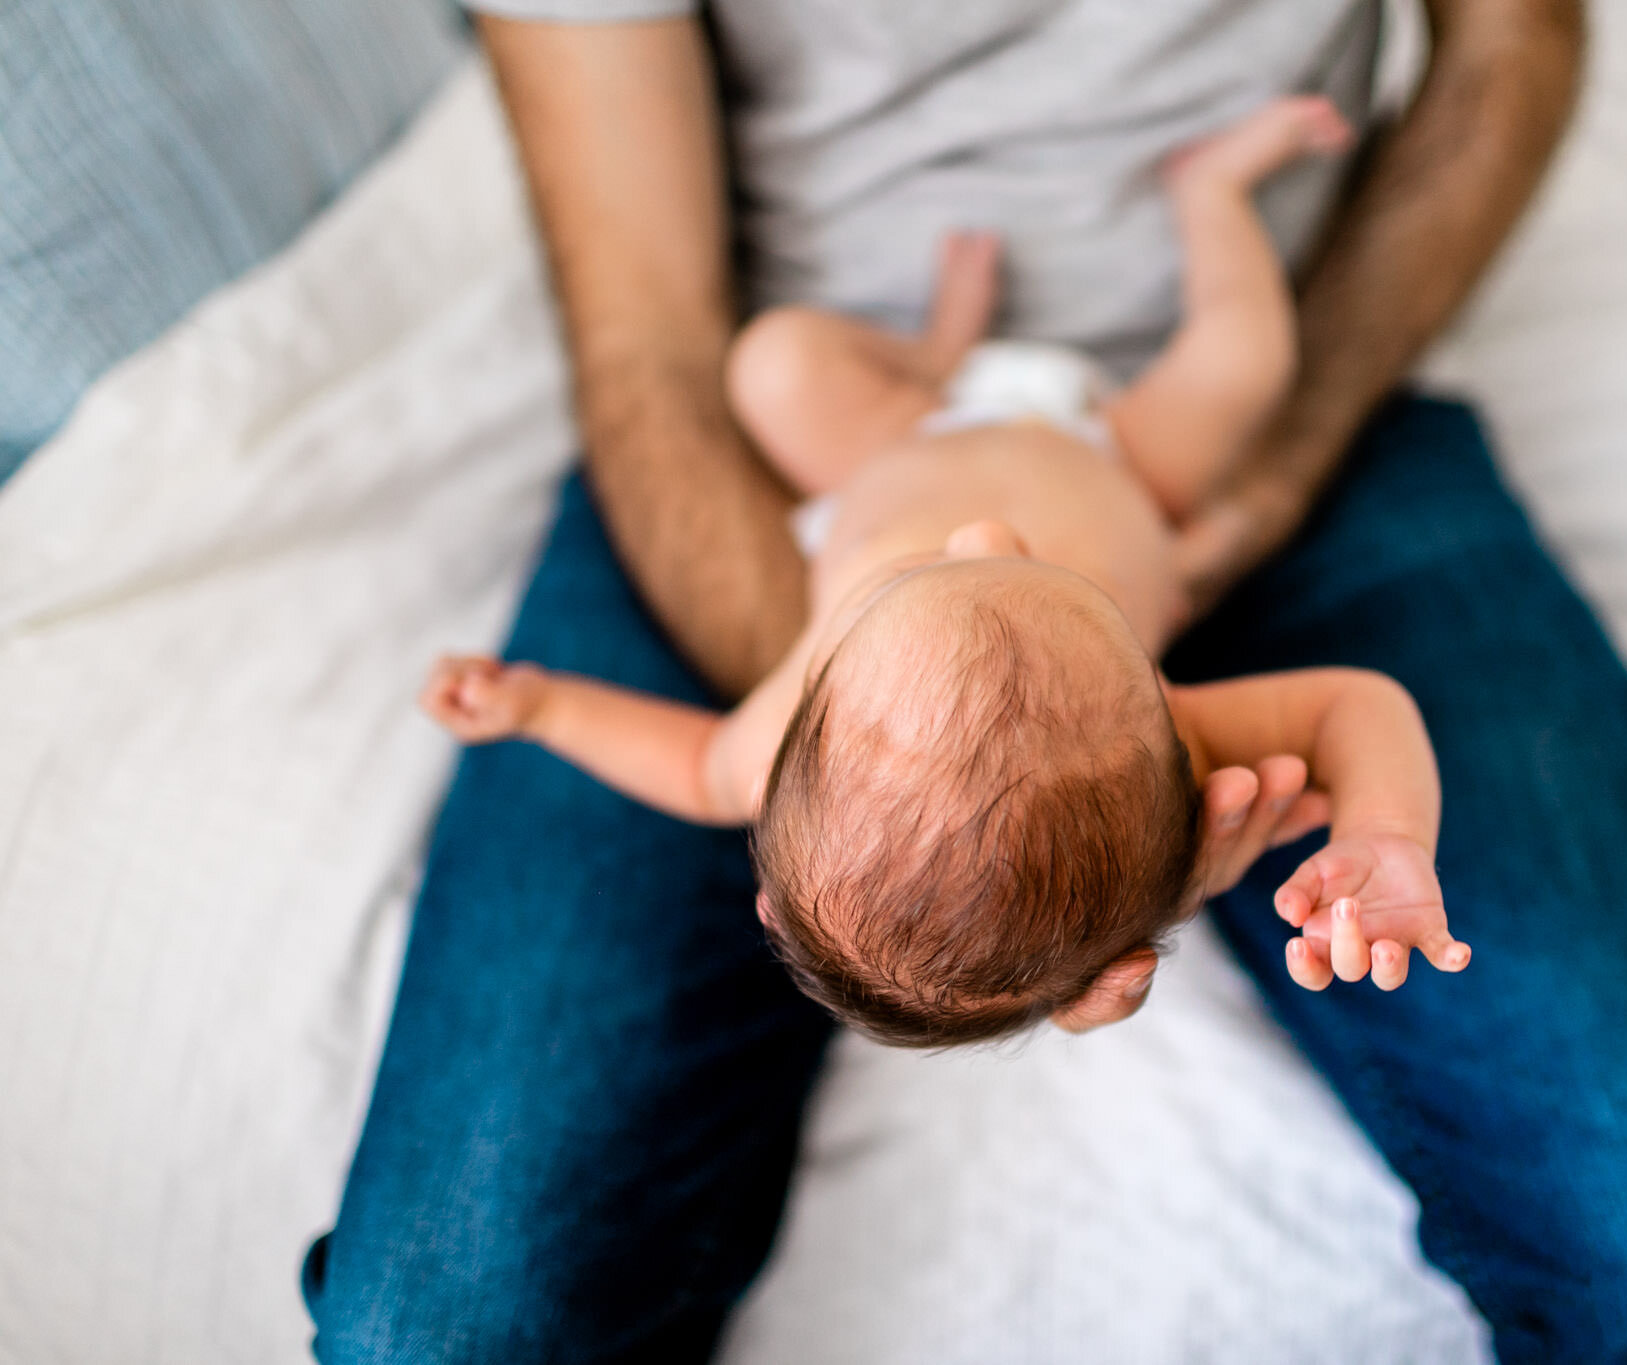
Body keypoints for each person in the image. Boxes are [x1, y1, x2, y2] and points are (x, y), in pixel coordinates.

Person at [302, 1, 1627, 1360]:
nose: (985, 534)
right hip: (789, 467)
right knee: (433, 1333)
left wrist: (1240, 538)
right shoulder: (944, 687)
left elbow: (1512, 43)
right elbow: (652, 336)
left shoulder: (1014, 702)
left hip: (1215, 435)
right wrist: (931, 753)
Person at [417, 97, 1469, 1046]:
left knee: (770, 363)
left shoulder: (781, 733)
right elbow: (1355, 706)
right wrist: (1383, 831)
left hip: (899, 442)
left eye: (918, 575)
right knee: (1247, 362)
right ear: (1154, 705)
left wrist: (545, 707)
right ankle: (1210, 193)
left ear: (771, 903)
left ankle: (931, 353)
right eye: (1064, 591)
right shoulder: (1165, 744)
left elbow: (697, 772)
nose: (984, 533)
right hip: (1121, 462)